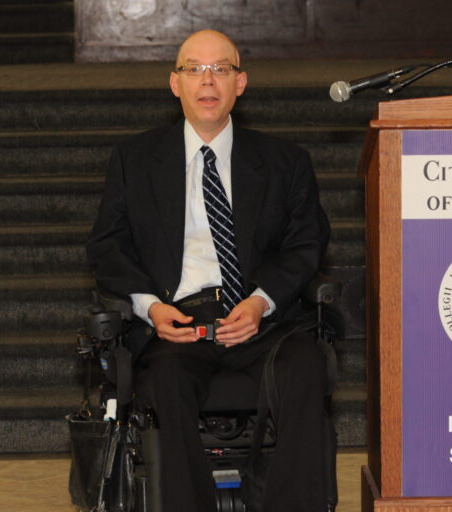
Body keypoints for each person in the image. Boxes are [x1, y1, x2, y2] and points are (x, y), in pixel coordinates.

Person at [86, 29, 331, 512]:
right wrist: (150, 308)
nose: (207, 80)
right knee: (166, 384)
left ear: (241, 83)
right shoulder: (135, 160)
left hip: (260, 320)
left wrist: (261, 301)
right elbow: (107, 246)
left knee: (306, 368)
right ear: (173, 83)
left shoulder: (285, 162)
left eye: (221, 68)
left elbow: (306, 244)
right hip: (177, 322)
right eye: (193, 69)